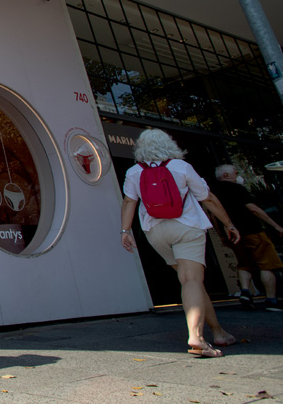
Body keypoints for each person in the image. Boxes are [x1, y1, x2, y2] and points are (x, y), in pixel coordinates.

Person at [120, 129, 240, 358]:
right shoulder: (180, 167)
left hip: (155, 232)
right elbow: (208, 198)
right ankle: (197, 337)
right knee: (191, 279)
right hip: (186, 227)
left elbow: (129, 201)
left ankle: (219, 332)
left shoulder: (134, 171)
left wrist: (125, 231)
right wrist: (228, 223)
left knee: (190, 282)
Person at [210, 164, 283, 312]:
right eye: (235, 173)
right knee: (267, 264)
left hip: (232, 234)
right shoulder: (238, 189)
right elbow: (253, 208)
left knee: (244, 263)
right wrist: (275, 225)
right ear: (226, 175)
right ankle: (271, 300)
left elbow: (212, 216)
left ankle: (245, 291)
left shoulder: (213, 193)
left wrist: (222, 235)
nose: (238, 176)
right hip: (252, 230)